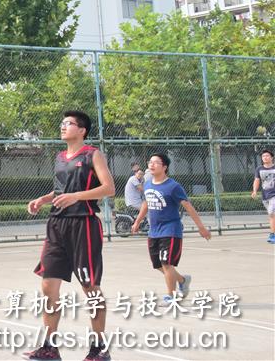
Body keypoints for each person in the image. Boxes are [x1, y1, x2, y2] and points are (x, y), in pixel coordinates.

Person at [25, 111, 116, 361]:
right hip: (57, 224)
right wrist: (43, 200)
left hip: (83, 225)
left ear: (82, 130)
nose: (63, 126)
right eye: (62, 123)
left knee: (90, 287)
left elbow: (109, 188)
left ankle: (99, 347)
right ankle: (49, 347)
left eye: (69, 123)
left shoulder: (92, 154)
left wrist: (76, 197)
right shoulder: (59, 157)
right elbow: (60, 190)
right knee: (48, 285)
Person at [132, 153, 212, 302]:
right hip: (154, 231)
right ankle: (182, 280)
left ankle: (171, 295)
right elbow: (146, 203)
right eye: (150, 162)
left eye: (156, 162)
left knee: (166, 263)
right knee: (158, 265)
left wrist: (201, 227)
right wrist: (137, 222)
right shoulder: (147, 184)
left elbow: (188, 206)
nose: (151, 165)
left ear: (165, 167)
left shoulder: (173, 186)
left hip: (171, 230)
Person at [250, 149, 275, 244]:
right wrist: (254, 191)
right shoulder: (259, 169)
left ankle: (272, 235)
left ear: (271, 157)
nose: (265, 157)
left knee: (271, 212)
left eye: (267, 156)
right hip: (265, 195)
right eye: (263, 156)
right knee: (271, 215)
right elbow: (257, 180)